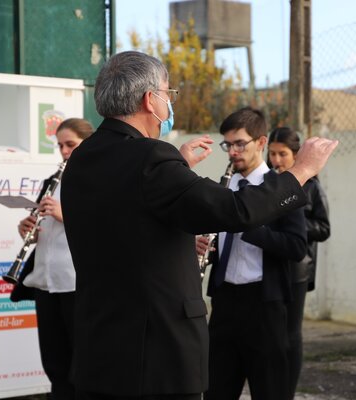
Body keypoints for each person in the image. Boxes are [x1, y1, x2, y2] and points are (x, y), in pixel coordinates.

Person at [60, 51, 338, 400]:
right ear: (149, 99)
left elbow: (127, 224)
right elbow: (235, 209)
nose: (169, 104)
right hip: (156, 359)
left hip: (100, 352)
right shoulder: (151, 158)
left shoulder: (83, 158)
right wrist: (301, 172)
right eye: (168, 93)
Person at [196, 110, 306, 400]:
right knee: (216, 390)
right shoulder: (223, 188)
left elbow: (297, 246)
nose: (233, 152)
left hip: (264, 306)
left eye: (240, 144)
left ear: (261, 142)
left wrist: (250, 227)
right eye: (228, 144)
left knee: (270, 391)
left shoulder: (281, 188)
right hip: (224, 302)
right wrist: (203, 245)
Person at [15, 117, 94, 400]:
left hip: (76, 282)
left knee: (81, 363)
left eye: (70, 144)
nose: (64, 151)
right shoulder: (53, 180)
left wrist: (65, 215)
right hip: (46, 282)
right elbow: (46, 230)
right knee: (54, 362)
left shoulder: (97, 181)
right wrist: (29, 229)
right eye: (60, 146)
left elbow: (105, 229)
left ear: (88, 144)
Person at [267, 127, 331, 399]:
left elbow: (324, 228)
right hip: (269, 265)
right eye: (272, 154)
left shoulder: (312, 186)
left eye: (282, 154)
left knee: (291, 335)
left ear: (296, 155)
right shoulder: (266, 182)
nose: (276, 160)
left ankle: (288, 392)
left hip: (297, 269)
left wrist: (293, 221)